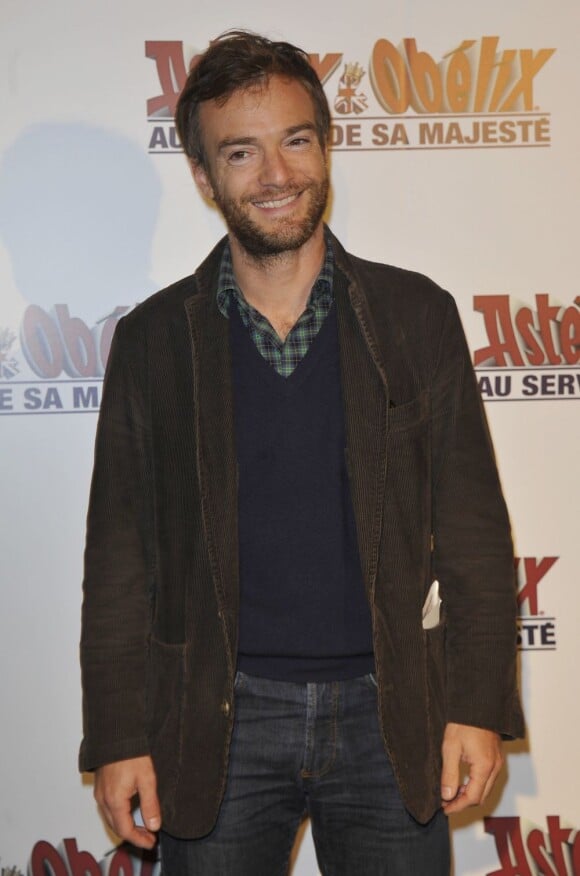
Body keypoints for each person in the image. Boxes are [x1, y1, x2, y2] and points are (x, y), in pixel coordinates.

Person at [79, 30, 524, 876]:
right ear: (206, 178)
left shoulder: (415, 316)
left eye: (296, 140)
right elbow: (118, 560)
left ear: (326, 147)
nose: (276, 175)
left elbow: (471, 531)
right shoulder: (153, 343)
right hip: (217, 720)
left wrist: (475, 706)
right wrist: (118, 735)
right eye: (242, 152)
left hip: (392, 715)